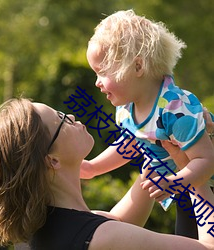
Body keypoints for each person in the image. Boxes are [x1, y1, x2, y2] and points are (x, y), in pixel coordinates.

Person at [0, 98, 214, 250]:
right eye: (61, 120)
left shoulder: (36, 234)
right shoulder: (102, 238)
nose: (70, 116)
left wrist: (156, 147)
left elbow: (118, 221)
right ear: (52, 160)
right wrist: (195, 170)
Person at [83, 9, 214, 238]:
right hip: (183, 183)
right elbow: (131, 143)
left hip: (204, 186)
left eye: (102, 72)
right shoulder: (127, 108)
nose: (97, 82)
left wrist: (174, 182)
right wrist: (93, 167)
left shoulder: (175, 108)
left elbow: (206, 160)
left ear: (137, 67)